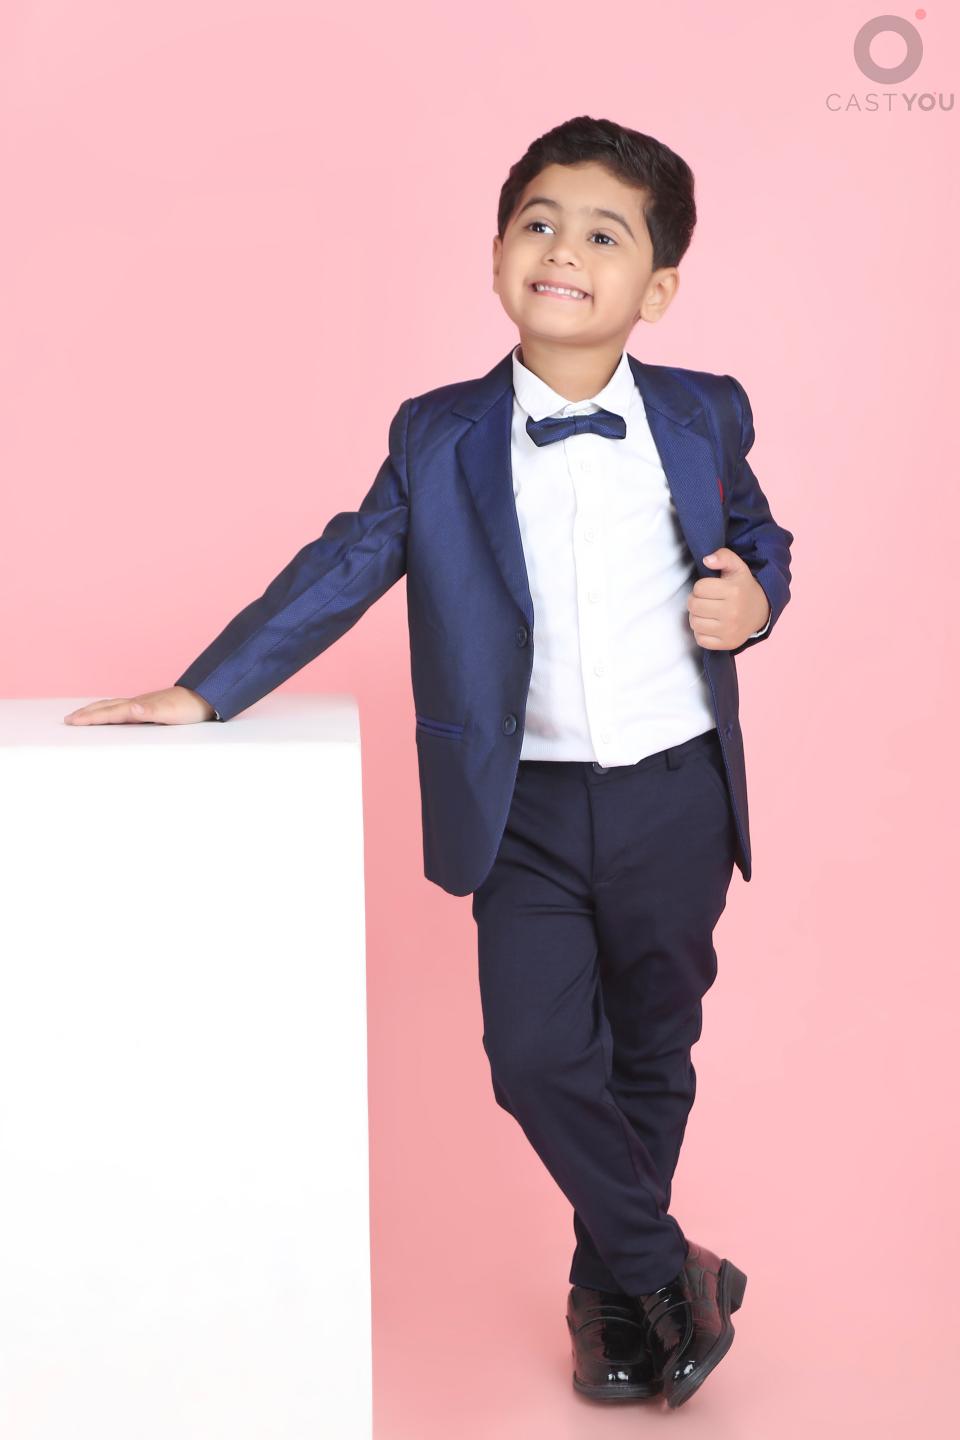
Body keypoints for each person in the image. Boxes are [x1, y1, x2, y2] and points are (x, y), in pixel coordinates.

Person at [64, 114, 794, 1410]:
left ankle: (609, 1304)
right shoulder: (440, 434)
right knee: (535, 1057)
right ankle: (661, 1264)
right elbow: (345, 563)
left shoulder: (704, 412)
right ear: (498, 252)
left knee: (651, 1050)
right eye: (538, 223)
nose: (562, 251)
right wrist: (206, 687)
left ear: (657, 290)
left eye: (604, 236)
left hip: (677, 791)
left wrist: (759, 598)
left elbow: (757, 537)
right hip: (521, 804)